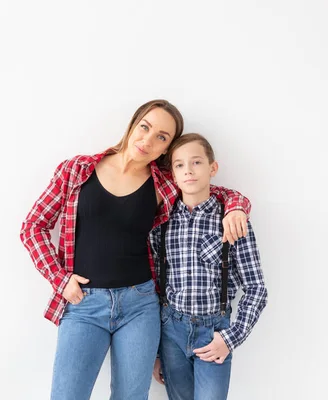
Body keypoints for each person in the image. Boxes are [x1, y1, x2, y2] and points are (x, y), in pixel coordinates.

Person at [19, 100, 252, 400]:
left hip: (140, 306)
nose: (148, 140)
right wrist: (60, 279)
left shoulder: (165, 184)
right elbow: (33, 226)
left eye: (162, 137)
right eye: (146, 127)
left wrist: (236, 208)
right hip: (83, 305)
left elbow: (212, 190)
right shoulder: (77, 170)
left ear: (166, 149)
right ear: (133, 124)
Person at [150, 133, 268, 400]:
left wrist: (230, 337)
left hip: (213, 331)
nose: (188, 171)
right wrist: (156, 353)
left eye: (196, 162)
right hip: (171, 331)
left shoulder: (233, 221)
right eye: (179, 165)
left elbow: (256, 288)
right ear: (173, 175)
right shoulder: (162, 224)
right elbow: (157, 287)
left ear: (212, 168)